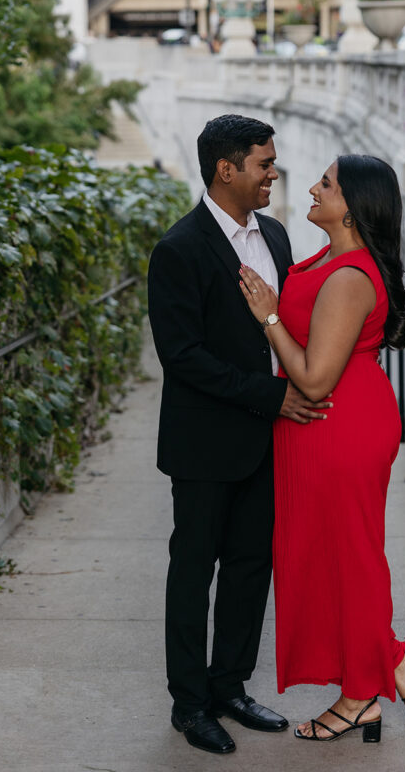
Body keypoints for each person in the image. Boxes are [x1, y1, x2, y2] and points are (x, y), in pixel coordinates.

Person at [239, 153, 405, 743]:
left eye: (325, 184)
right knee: (325, 559)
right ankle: (384, 669)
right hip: (318, 428)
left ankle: (368, 687)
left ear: (352, 206)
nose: (310, 187)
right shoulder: (330, 256)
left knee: (350, 560)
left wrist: (267, 314)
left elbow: (313, 377)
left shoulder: (352, 276)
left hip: (340, 424)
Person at [147, 114, 331, 755]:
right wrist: (272, 394)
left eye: (272, 162)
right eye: (263, 163)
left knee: (252, 567)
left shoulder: (276, 235)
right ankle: (190, 704)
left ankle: (230, 686)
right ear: (226, 169)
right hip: (205, 444)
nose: (273, 174)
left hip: (269, 440)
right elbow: (183, 356)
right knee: (193, 571)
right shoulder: (179, 249)